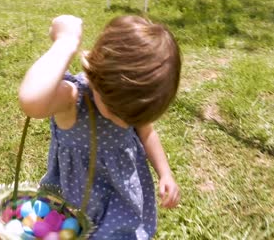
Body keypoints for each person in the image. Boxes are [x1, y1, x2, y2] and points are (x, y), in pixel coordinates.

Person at [18, 15, 182, 239]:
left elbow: (147, 132)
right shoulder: (72, 98)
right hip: (76, 200)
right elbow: (31, 100)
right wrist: (65, 43)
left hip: (120, 200)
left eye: (132, 118)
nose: (125, 122)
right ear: (97, 77)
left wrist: (165, 173)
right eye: (117, 112)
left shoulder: (128, 101)